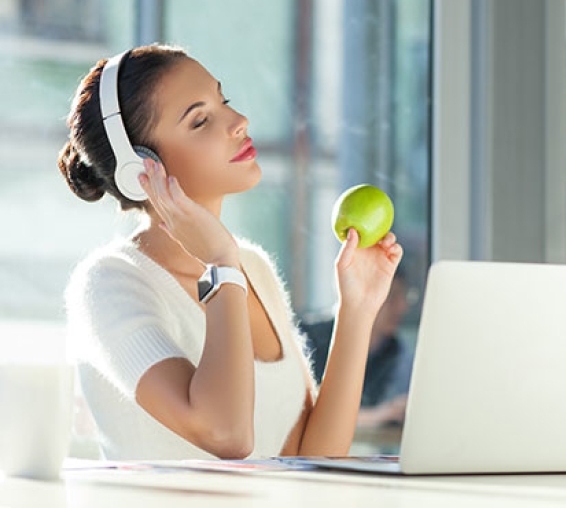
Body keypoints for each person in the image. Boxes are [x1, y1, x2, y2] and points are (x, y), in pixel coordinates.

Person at [58, 44, 402, 461]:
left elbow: (311, 457)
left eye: (226, 103)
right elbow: (226, 434)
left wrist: (357, 309)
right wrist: (220, 264)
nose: (239, 122)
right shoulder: (110, 283)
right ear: (139, 169)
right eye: (200, 120)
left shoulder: (251, 267)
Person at [302, 268, 415, 428]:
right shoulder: (308, 340)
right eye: (391, 298)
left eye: (404, 296)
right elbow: (304, 415)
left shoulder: (398, 355)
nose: (402, 307)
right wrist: (380, 414)